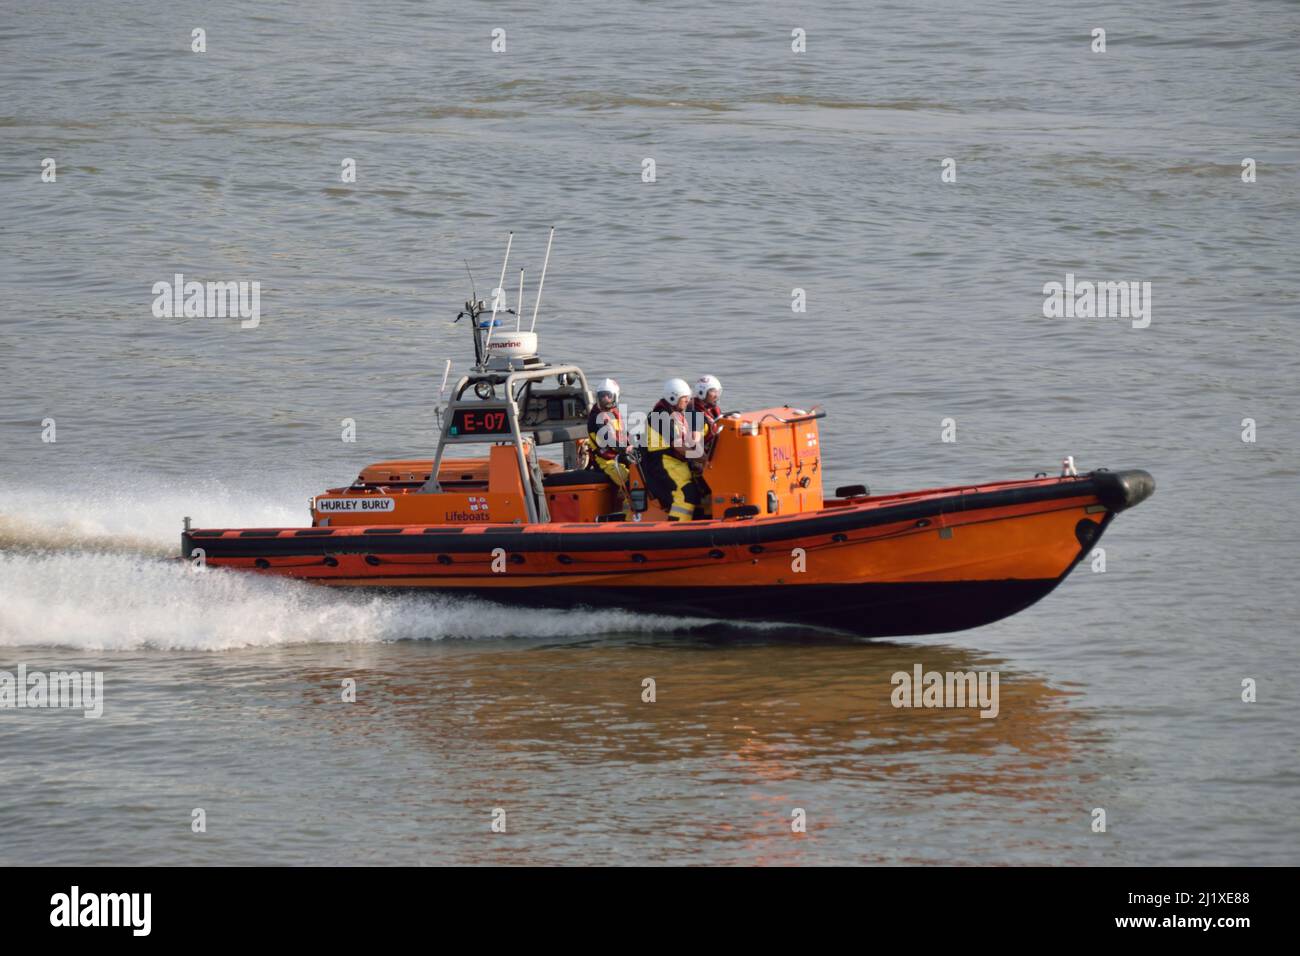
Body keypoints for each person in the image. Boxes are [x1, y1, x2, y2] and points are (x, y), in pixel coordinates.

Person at [641, 378, 701, 521]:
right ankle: (678, 531)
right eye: (684, 398)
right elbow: (679, 445)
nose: (687, 401)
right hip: (661, 463)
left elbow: (689, 441)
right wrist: (703, 458)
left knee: (701, 487)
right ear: (673, 397)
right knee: (685, 493)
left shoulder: (677, 414)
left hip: (675, 462)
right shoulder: (660, 416)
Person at [586, 378, 630, 498]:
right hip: (605, 462)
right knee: (630, 482)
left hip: (619, 456)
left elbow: (623, 435)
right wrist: (626, 450)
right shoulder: (596, 418)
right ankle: (630, 512)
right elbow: (611, 441)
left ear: (615, 397)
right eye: (602, 396)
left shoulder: (614, 413)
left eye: (608, 395)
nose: (605, 399)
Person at [692, 375, 723, 457]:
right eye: (713, 391)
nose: (716, 395)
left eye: (718, 391)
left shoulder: (712, 410)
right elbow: (693, 445)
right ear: (702, 392)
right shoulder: (694, 414)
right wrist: (706, 462)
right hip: (701, 460)